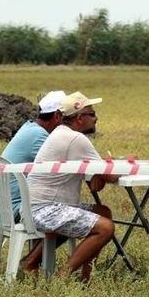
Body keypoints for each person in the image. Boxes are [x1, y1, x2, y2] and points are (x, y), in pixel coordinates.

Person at [25, 91, 118, 282]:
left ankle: (34, 262)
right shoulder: (76, 139)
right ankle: (63, 277)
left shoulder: (62, 133)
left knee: (103, 211)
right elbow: (110, 175)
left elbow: (95, 182)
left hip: (38, 205)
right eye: (91, 114)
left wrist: (101, 173)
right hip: (46, 209)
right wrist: (116, 166)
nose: (96, 118)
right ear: (79, 118)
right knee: (105, 228)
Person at [0, 90, 66, 223]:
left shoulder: (30, 128)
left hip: (1, 208)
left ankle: (40, 245)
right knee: (67, 213)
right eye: (69, 117)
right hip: (11, 211)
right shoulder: (39, 136)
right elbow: (63, 171)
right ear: (57, 116)